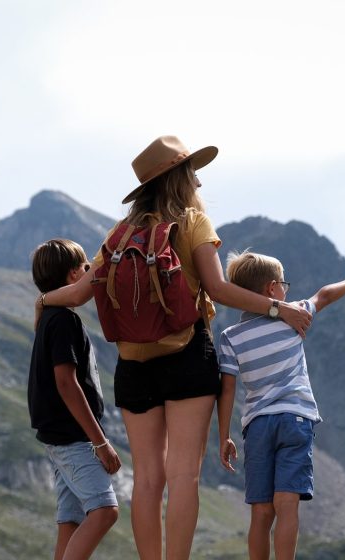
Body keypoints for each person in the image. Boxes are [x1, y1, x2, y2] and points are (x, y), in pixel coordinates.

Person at [35, 135, 312, 560]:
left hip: (133, 366)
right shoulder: (192, 222)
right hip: (187, 358)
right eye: (193, 174)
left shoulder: (119, 234)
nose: (198, 183)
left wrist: (42, 300)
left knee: (148, 479)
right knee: (184, 477)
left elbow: (76, 295)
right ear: (179, 179)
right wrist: (278, 309)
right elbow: (218, 289)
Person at [216, 250, 345, 560]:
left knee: (261, 512)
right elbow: (325, 295)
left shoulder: (230, 337)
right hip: (295, 420)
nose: (287, 291)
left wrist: (224, 435)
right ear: (272, 289)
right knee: (287, 505)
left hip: (258, 425)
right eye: (284, 284)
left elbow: (227, 390)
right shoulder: (294, 315)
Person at [28, 238, 122, 560]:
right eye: (86, 269)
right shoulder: (65, 321)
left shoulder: (49, 320)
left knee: (70, 521)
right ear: (73, 276)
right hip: (74, 438)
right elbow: (66, 384)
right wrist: (100, 442)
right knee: (105, 511)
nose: (91, 274)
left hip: (58, 439)